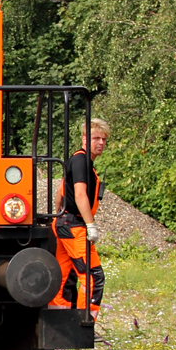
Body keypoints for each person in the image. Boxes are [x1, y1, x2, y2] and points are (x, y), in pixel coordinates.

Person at [50, 118, 109, 316]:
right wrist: (90, 225)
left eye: (103, 139)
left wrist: (57, 217)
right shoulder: (82, 162)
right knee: (93, 277)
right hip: (74, 226)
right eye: (96, 138)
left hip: (64, 223)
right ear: (84, 138)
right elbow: (80, 194)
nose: (100, 143)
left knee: (63, 276)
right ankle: (85, 323)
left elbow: (59, 192)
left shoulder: (77, 161)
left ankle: (59, 323)